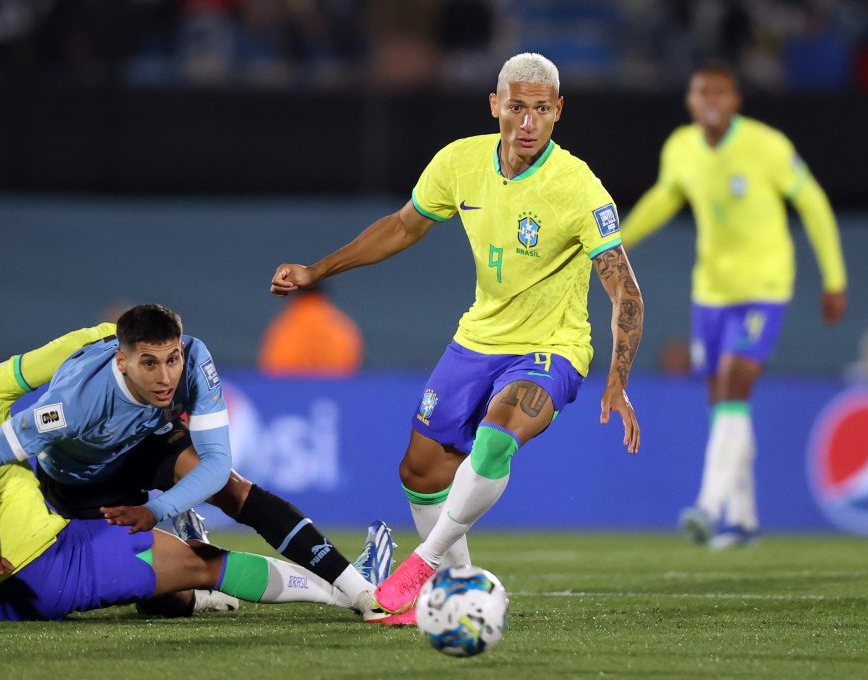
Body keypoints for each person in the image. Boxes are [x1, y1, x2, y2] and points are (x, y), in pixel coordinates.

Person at [270, 52, 643, 622]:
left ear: (558, 111)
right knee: (420, 471)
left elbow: (626, 293)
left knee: (495, 439)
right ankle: (459, 590)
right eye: (516, 107)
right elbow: (403, 226)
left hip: (552, 348)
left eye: (541, 110)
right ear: (495, 105)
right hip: (477, 339)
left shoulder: (578, 188)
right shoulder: (460, 162)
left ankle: (420, 568)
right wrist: (317, 271)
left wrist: (618, 379)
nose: (528, 122)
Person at [0, 331, 377, 621]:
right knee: (200, 562)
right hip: (55, 553)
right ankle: (347, 592)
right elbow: (59, 351)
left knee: (173, 569)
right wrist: (120, 334)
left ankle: (338, 584)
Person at [620, 63, 847, 548]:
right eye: (701, 92)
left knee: (733, 383)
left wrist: (834, 278)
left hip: (764, 287)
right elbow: (664, 197)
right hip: (711, 292)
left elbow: (813, 203)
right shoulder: (681, 147)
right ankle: (744, 520)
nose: (710, 100)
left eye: (720, 93)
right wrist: (620, 242)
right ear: (689, 100)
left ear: (736, 101)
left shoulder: (767, 146)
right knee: (723, 400)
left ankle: (709, 506)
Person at [258, 285, 364, 377]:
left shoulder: (286, 324)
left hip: (290, 387)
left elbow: (272, 365)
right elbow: (352, 363)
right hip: (335, 387)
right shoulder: (341, 324)